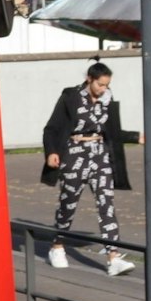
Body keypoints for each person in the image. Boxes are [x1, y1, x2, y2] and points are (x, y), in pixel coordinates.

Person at [41, 60, 139, 276]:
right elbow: (51, 128)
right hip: (74, 154)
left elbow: (113, 131)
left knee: (106, 203)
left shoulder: (107, 100)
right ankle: (57, 246)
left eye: (107, 85)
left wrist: (136, 137)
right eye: (100, 84)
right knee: (68, 203)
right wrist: (52, 152)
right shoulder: (70, 97)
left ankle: (113, 257)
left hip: (100, 155)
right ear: (89, 79)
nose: (103, 89)